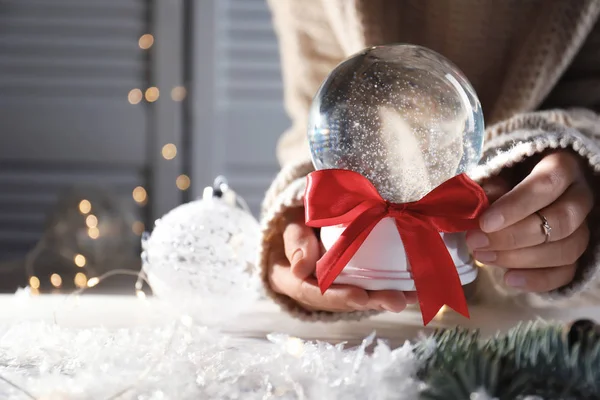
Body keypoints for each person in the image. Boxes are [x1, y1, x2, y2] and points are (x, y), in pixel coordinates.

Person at [259, 0, 600, 322]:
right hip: (379, 341)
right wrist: (300, 211)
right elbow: (316, 117)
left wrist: (582, 168)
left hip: (552, 323)